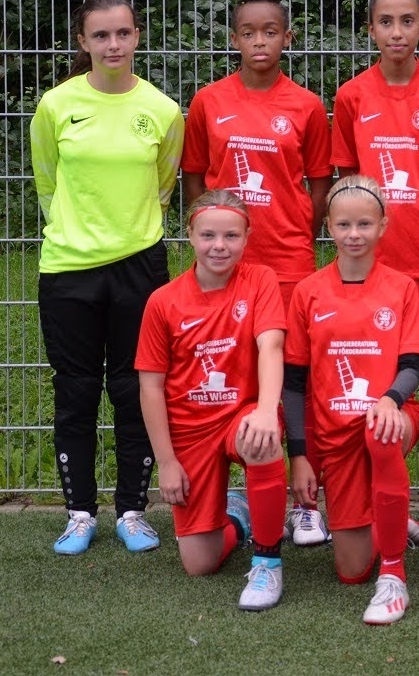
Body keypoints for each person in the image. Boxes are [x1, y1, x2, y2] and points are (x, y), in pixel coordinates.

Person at [30, 0, 182, 555]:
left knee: (134, 388)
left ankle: (133, 512)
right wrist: (77, 231)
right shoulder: (56, 105)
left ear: (136, 36)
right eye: (101, 35)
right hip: (69, 267)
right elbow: (47, 180)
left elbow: (163, 185)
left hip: (139, 265)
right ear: (83, 41)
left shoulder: (162, 110)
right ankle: (79, 514)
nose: (113, 44)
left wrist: (127, 231)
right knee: (76, 391)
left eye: (122, 33)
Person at [181, 0, 334, 545]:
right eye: (249, 33)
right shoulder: (208, 101)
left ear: (287, 37)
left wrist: (296, 232)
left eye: (271, 32)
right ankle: (241, 492)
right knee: (234, 370)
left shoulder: (307, 105)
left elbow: (320, 186)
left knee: (295, 376)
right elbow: (195, 179)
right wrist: (214, 239)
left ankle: (305, 500)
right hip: (228, 266)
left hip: (289, 259)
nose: (260, 42)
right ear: (234, 40)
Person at [331, 0, 419, 549]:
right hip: (372, 265)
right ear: (370, 29)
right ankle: (386, 499)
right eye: (385, 22)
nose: (396, 32)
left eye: (407, 21)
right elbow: (347, 180)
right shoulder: (351, 96)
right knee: (378, 378)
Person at [284, 176, 419, 625]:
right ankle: (389, 518)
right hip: (335, 434)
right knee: (350, 571)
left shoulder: (402, 287)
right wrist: (300, 457)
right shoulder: (308, 291)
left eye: (365, 224)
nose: (354, 234)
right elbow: (293, 383)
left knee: (380, 431)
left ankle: (394, 575)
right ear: (328, 226)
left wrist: (390, 399)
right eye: (344, 224)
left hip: (390, 415)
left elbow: (412, 365)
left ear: (383, 225)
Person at [136, 190, 288, 610]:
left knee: (261, 438)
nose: (219, 245)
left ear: (247, 237)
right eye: (208, 235)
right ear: (189, 235)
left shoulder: (260, 280)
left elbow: (271, 346)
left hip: (241, 413)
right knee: (199, 564)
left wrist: (266, 411)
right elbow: (150, 387)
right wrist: (167, 461)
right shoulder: (163, 301)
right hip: (191, 429)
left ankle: (268, 562)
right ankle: (238, 516)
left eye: (231, 236)